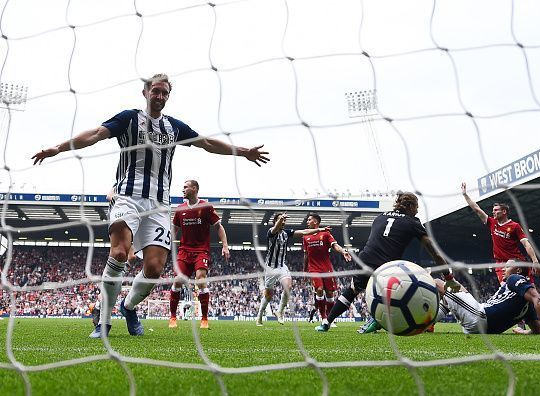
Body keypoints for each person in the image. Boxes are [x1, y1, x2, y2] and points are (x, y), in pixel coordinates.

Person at [32, 73, 269, 338]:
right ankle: (104, 320)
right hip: (127, 197)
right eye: (155, 91)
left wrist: (243, 151)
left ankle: (128, 306)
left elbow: (207, 143)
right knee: (120, 253)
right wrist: (58, 147)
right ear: (145, 92)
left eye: (164, 93)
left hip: (159, 205)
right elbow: (96, 134)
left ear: (168, 96)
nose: (159, 96)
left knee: (154, 269)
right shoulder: (128, 119)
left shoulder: (175, 127)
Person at [315, 191, 459, 332]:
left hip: (364, 260)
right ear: (409, 206)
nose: (417, 210)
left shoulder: (379, 217)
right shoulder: (413, 222)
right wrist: (448, 277)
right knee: (410, 287)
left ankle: (327, 322)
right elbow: (433, 250)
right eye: (416, 206)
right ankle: (379, 320)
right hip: (387, 266)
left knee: (353, 289)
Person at [169, 179, 230, 330]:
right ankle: (172, 317)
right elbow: (174, 230)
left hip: (201, 250)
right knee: (177, 280)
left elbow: (218, 227)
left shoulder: (206, 207)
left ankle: (204, 319)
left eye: (185, 187)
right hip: (184, 250)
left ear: (194, 189)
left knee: (201, 281)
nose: (182, 190)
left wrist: (225, 245)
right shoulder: (179, 209)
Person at [256, 213, 332, 326]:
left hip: (282, 267)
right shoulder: (271, 232)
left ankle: (280, 311)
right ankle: (260, 315)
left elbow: (304, 232)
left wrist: (321, 229)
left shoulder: (286, 233)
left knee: (289, 286)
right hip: (270, 268)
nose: (283, 222)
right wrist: (280, 219)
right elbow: (276, 227)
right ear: (276, 222)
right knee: (268, 296)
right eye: (280, 220)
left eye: (283, 221)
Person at [461, 182, 540, 284]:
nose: (493, 212)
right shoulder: (491, 222)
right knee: (506, 288)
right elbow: (477, 209)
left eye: (496, 210)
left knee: (531, 290)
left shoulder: (514, 226)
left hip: (517, 261)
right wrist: (465, 194)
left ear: (504, 212)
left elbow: (526, 244)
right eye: (492, 210)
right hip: (501, 263)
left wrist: (535, 261)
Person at [434, 266, 540, 335]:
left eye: (507, 266)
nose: (503, 269)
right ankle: (428, 323)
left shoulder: (513, 278)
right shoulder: (526, 305)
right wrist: (524, 332)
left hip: (479, 316)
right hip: (483, 326)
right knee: (448, 296)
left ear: (517, 270)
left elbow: (538, 299)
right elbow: (537, 330)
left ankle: (421, 321)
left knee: (438, 283)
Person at [302, 212, 352, 328]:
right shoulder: (305, 237)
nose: (307, 222)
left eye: (309, 220)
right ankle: (323, 318)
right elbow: (306, 256)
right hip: (313, 269)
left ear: (315, 221)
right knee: (319, 290)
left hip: (327, 268)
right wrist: (304, 271)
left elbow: (335, 245)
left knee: (330, 294)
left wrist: (343, 251)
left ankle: (330, 319)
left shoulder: (325, 234)